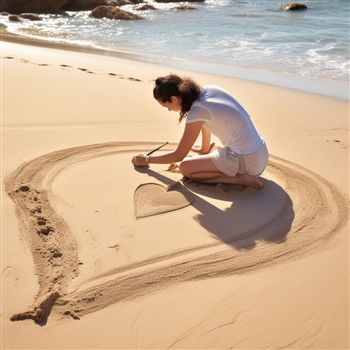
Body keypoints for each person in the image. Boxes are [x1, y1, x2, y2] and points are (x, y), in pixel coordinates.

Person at [131, 74, 268, 188]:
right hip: (261, 152)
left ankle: (239, 179)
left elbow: (178, 155)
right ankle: (233, 169)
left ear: (173, 99)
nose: (168, 109)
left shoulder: (197, 111)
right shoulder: (208, 90)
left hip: (248, 162)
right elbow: (206, 119)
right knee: (194, 160)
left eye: (166, 105)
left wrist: (147, 159)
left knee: (185, 168)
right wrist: (203, 149)